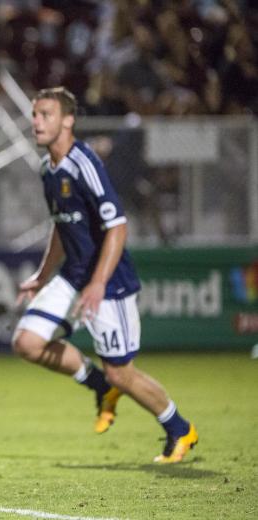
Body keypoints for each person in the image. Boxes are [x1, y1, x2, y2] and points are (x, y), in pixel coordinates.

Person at [12, 87, 198, 464]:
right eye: (34, 114)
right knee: (27, 342)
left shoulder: (85, 165)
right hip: (72, 275)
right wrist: (42, 275)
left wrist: (97, 283)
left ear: (68, 120)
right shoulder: (48, 170)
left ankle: (181, 430)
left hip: (108, 281)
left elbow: (118, 227)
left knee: (122, 373)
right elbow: (61, 227)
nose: (36, 122)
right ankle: (99, 387)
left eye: (45, 114)